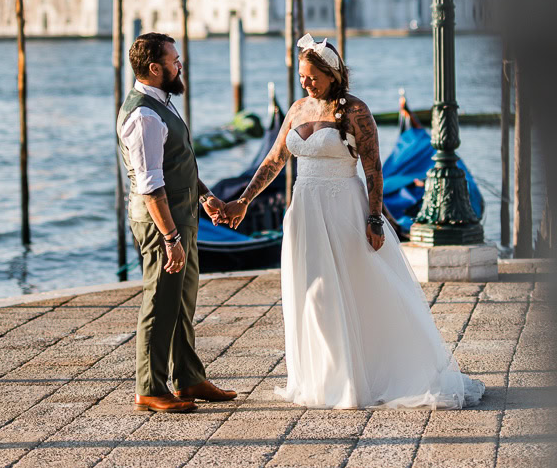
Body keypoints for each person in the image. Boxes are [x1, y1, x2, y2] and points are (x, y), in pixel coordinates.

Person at [206, 34, 484, 409]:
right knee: (309, 293)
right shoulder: (297, 109)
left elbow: (373, 169)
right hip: (304, 212)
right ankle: (323, 378)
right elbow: (273, 162)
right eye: (302, 76)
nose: (305, 82)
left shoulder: (355, 112)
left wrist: (374, 218)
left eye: (312, 76)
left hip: (343, 211)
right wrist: (242, 201)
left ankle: (358, 378)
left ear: (332, 74)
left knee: (349, 290)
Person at [119, 31, 239, 413]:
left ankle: (187, 378)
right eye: (174, 60)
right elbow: (151, 185)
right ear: (154, 68)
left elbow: (178, 165)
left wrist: (205, 197)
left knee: (181, 301)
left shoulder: (161, 104)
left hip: (181, 217)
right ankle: (149, 387)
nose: (179, 65)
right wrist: (170, 237)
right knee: (160, 301)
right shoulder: (144, 115)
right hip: (162, 224)